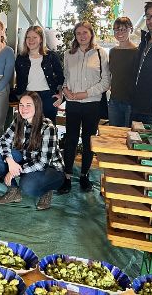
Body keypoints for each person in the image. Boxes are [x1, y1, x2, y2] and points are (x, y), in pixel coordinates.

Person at [58, 21, 110, 194]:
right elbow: (65, 77)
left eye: (85, 32)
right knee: (71, 140)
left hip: (91, 104)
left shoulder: (100, 53)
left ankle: (84, 175)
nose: (82, 36)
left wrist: (85, 94)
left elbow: (105, 82)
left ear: (91, 34)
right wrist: (65, 90)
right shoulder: (68, 54)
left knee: (88, 141)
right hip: (72, 104)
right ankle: (67, 177)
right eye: (78, 33)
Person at [0, 91, 65, 210]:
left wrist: (14, 171)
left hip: (51, 170)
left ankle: (47, 190)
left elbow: (43, 163)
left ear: (37, 107)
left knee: (27, 186)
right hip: (28, 160)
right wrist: (9, 160)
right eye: (21, 105)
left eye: (28, 105)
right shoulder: (19, 120)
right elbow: (3, 141)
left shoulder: (48, 128)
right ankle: (13, 191)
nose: (24, 109)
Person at [14, 26, 64, 124]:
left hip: (48, 97)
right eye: (28, 37)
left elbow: (61, 77)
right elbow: (19, 80)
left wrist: (61, 95)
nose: (31, 40)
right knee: (28, 128)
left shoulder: (51, 56)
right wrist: (20, 98)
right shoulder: (21, 58)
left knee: (48, 128)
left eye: (34, 37)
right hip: (28, 96)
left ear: (41, 39)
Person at [108, 17, 138, 127]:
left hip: (131, 102)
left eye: (124, 29)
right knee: (114, 134)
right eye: (116, 29)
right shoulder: (113, 51)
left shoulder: (137, 52)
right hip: (114, 100)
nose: (120, 33)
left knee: (128, 135)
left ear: (131, 30)